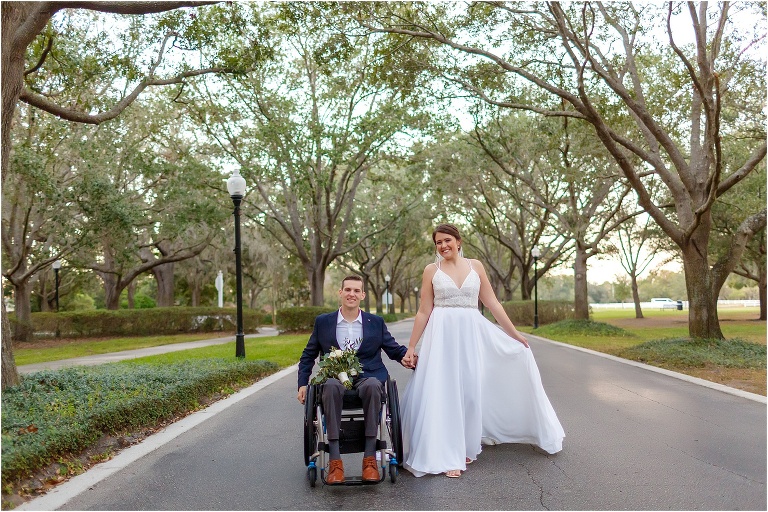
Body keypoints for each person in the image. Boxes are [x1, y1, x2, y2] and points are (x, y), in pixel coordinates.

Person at [401, 224, 564, 478]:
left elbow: (492, 303)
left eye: (447, 240)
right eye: (438, 243)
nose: (443, 246)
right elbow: (424, 310)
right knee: (443, 391)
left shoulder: (475, 266)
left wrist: (516, 335)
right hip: (441, 336)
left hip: (470, 334)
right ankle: (446, 453)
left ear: (458, 241)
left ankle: (466, 445)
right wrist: (412, 346)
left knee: (470, 391)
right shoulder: (431, 270)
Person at [297, 275, 416, 484]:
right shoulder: (323, 322)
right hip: (334, 379)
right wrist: (302, 384)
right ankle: (335, 462)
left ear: (362, 295)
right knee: (331, 386)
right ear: (340, 293)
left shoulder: (375, 323)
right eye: (348, 290)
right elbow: (308, 355)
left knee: (372, 385)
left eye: (356, 291)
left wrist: (410, 358)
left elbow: (393, 349)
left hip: (368, 377)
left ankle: (369, 460)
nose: (351, 294)